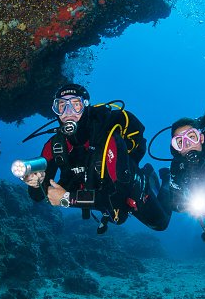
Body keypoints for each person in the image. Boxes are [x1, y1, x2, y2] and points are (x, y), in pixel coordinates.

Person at [22, 84, 170, 233]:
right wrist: (36, 183)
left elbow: (117, 201)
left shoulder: (108, 137)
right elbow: (37, 196)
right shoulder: (54, 145)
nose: (68, 112)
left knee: (160, 224)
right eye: (61, 106)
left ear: (85, 106)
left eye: (76, 105)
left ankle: (164, 181)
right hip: (94, 190)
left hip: (123, 187)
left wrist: (67, 198)